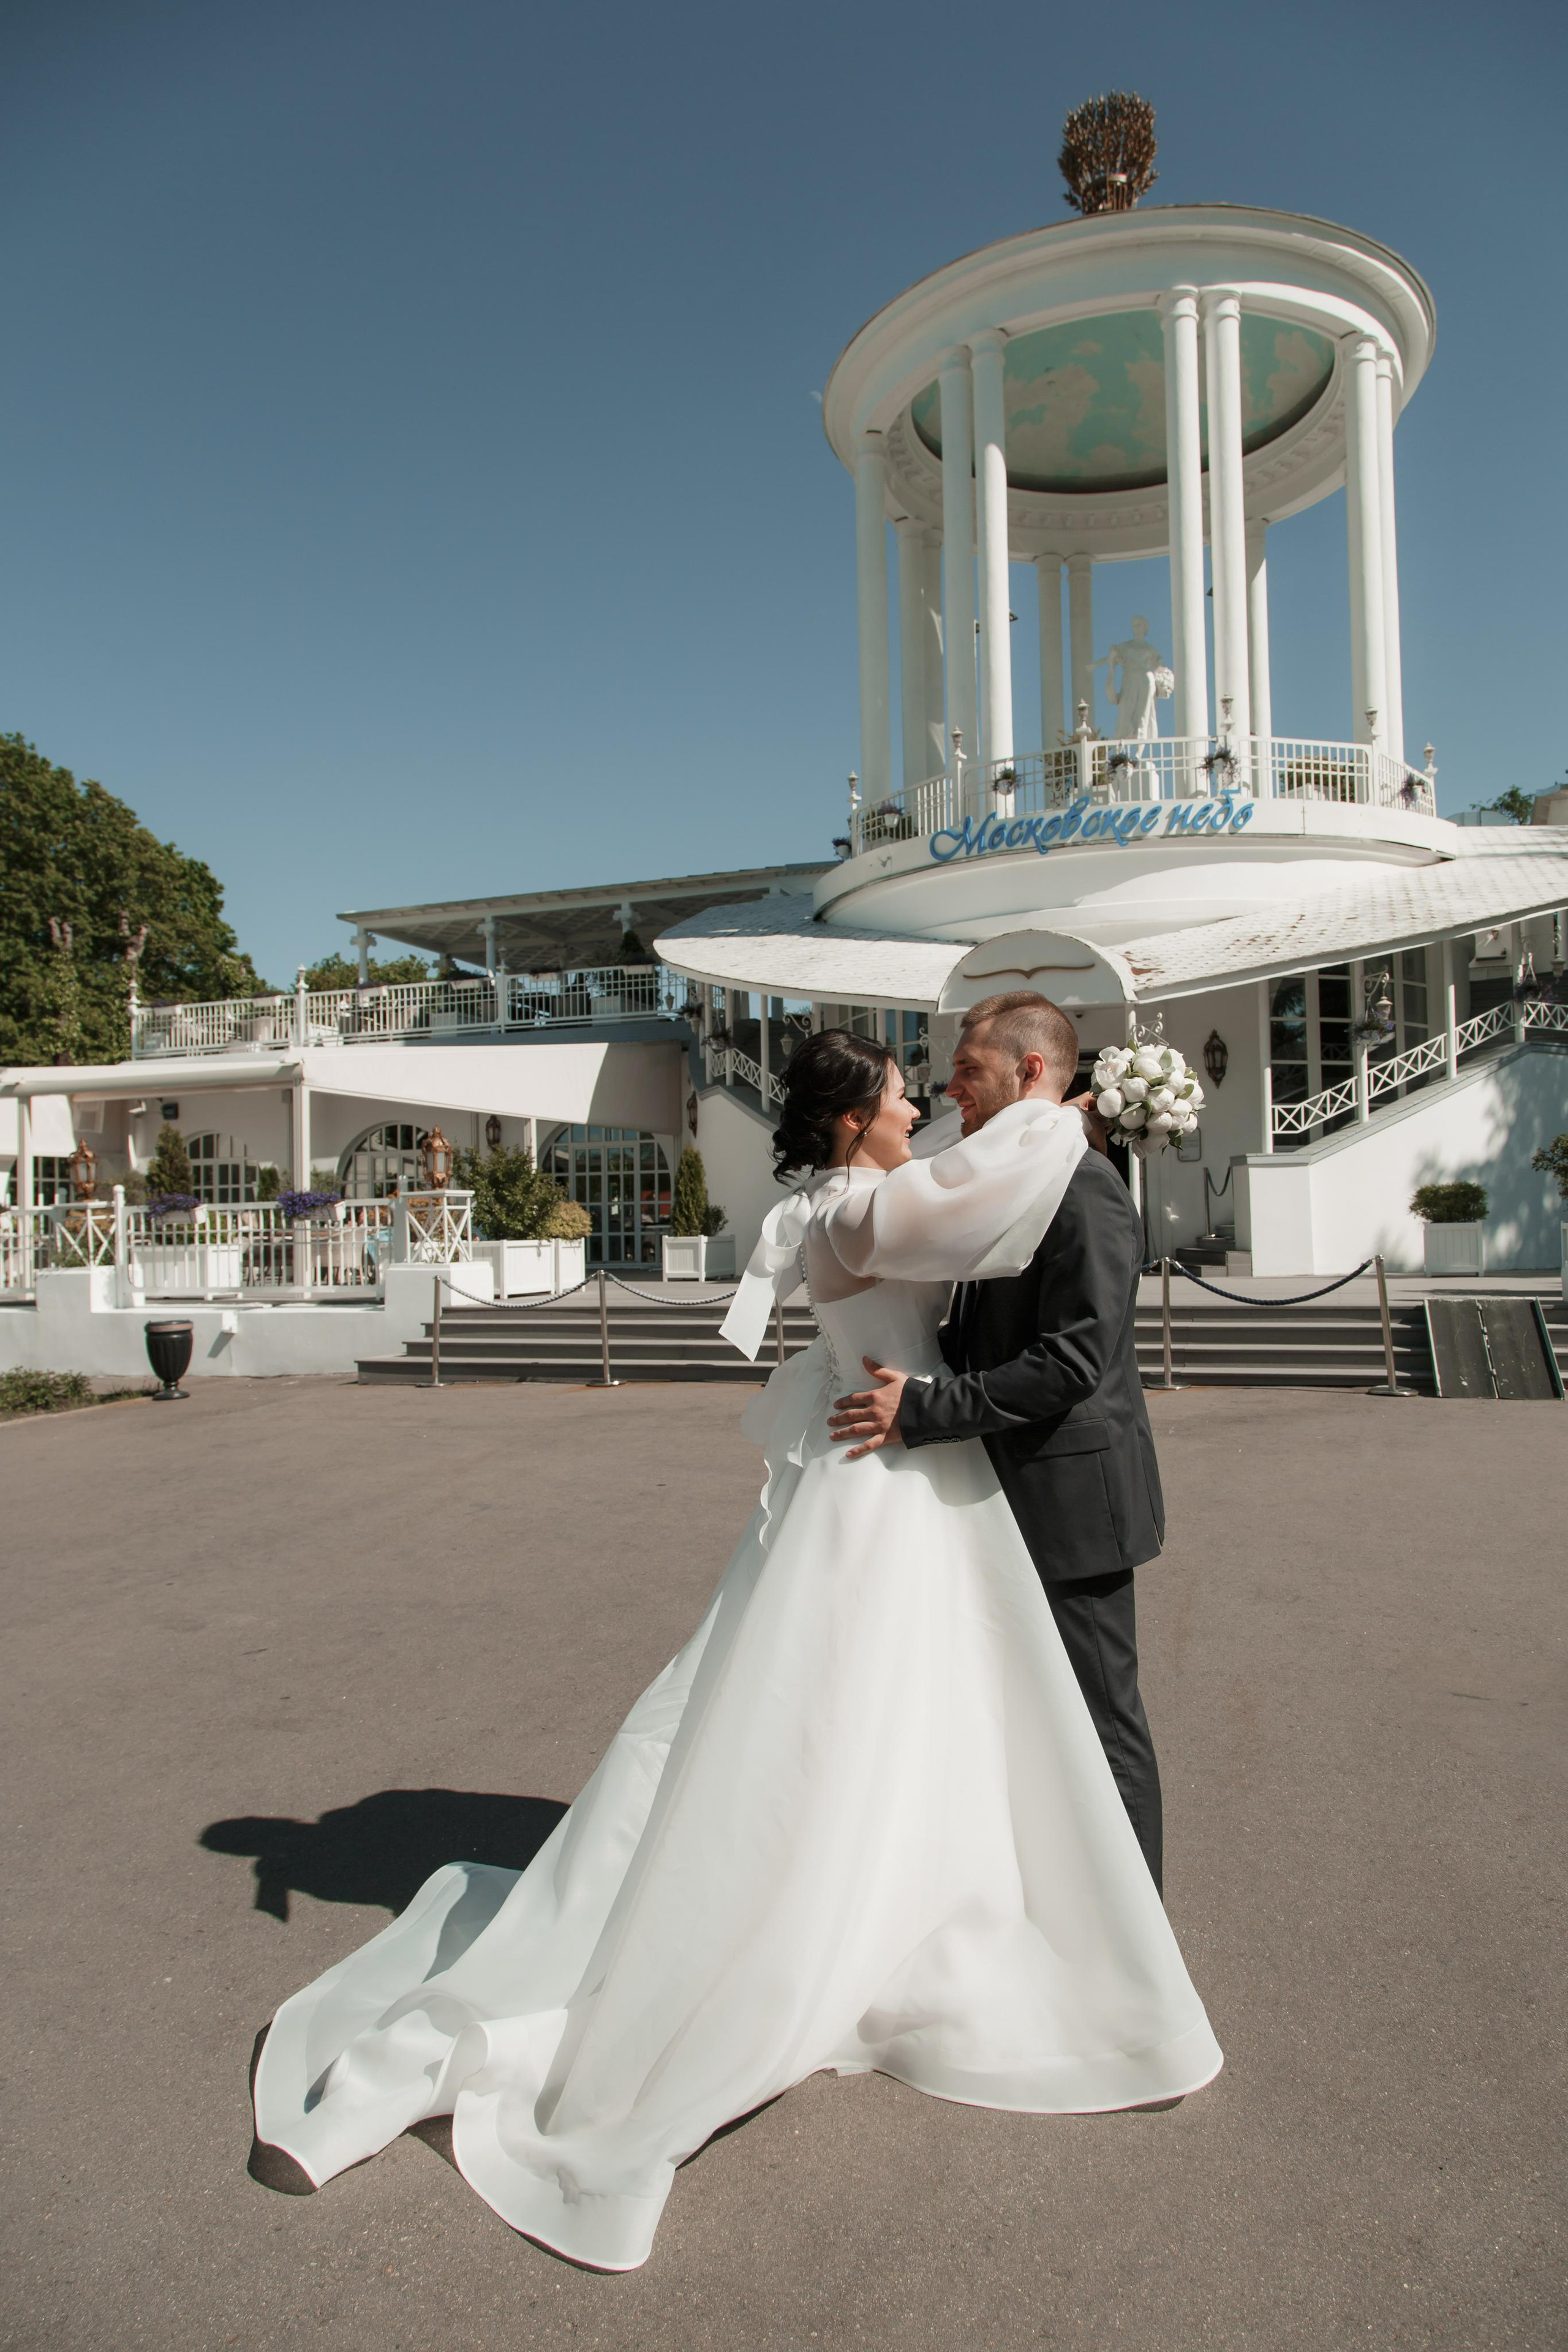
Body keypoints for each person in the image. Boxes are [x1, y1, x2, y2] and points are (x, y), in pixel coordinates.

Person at [251, 1031, 1219, 2271]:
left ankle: (937, 1889)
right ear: (851, 1122)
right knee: (855, 1708)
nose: (921, 1103)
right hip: (885, 1475)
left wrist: (1073, 1112)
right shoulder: (857, 1213)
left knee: (932, 1711)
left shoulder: (865, 1193)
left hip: (910, 1467)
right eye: (899, 1094)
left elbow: (967, 1184)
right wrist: (1067, 1111)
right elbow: (981, 1194)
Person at [827, 992, 1166, 1890]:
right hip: (1001, 1495)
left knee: (1101, 1726)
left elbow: (1072, 1363)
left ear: (1030, 1071)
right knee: (1025, 1722)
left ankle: (1138, 1932)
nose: (951, 1090)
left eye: (968, 1071)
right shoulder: (1012, 1179)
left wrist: (922, 1409)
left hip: (1073, 1508)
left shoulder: (1085, 1188)